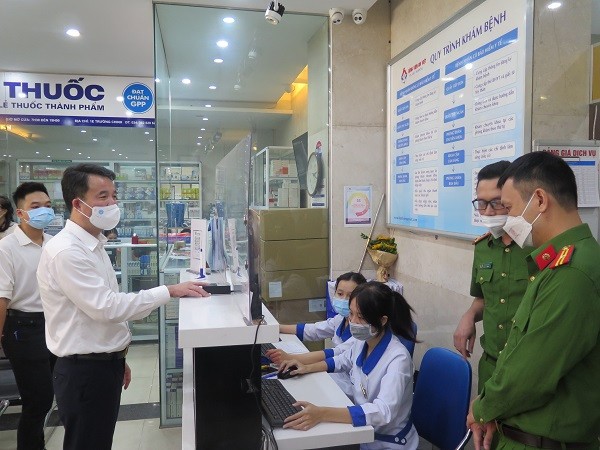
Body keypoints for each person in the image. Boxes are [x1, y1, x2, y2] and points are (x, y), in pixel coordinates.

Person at [36, 163, 211, 450]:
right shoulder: (67, 251)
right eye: (102, 197)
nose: (113, 203)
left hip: (100, 365)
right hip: (84, 373)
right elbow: (107, 308)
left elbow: (96, 317)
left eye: (114, 195)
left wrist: (117, 356)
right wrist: (168, 291)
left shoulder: (92, 243)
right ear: (78, 204)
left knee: (98, 440)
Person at [467, 151, 600, 450]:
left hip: (541, 440)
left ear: (539, 201)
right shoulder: (555, 262)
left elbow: (530, 372)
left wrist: (483, 408)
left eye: (510, 208)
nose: (508, 219)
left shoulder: (572, 271)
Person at [279, 281, 419, 450]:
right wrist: (306, 367)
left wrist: (322, 413)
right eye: (351, 314)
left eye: (361, 317)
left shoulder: (398, 359)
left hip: (388, 443)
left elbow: (383, 411)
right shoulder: (363, 341)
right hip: (363, 434)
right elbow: (342, 360)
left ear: (382, 320)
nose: (352, 321)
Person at [453, 161, 531, 392]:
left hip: (527, 368)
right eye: (481, 203)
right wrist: (469, 316)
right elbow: (484, 298)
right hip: (491, 364)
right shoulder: (483, 247)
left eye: (496, 203)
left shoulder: (536, 246)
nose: (487, 212)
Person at [0, 182, 56, 450]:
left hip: (55, 325)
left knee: (53, 395)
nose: (43, 211)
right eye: (35, 207)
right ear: (20, 213)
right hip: (24, 327)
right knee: (38, 401)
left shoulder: (55, 244)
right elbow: (2, 298)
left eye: (47, 206)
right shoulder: (7, 247)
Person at [267, 272, 367, 396]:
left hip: (347, 386)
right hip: (334, 374)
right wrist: (275, 328)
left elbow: (336, 354)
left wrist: (293, 358)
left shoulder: (361, 332)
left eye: (350, 296)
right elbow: (313, 330)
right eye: (340, 294)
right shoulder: (340, 319)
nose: (344, 300)